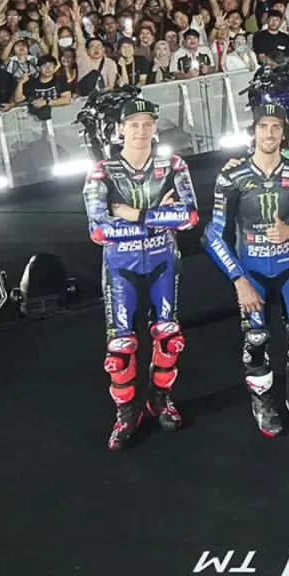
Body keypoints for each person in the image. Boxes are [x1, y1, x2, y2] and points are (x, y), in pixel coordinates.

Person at [82, 97, 200, 450]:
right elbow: (98, 230)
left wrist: (132, 215)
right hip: (121, 268)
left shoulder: (173, 164)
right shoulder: (101, 170)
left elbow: (190, 216)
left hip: (164, 261)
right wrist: (160, 217)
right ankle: (126, 412)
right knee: (120, 348)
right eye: (133, 124)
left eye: (147, 123)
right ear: (121, 129)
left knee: (170, 337)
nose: (141, 130)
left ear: (155, 126)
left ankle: (160, 399)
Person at [204, 96, 289, 435]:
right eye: (263, 127)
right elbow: (212, 236)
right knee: (256, 338)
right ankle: (263, 402)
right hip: (251, 270)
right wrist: (238, 280)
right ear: (253, 131)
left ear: (285, 133)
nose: (269, 133)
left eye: (276, 127)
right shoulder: (232, 177)